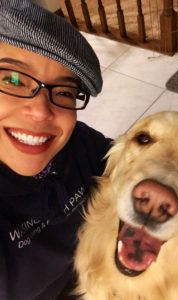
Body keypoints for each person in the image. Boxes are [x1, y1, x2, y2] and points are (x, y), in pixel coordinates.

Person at [0, 1, 112, 299]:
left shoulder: (77, 143)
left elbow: (130, 164)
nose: (40, 111)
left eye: (63, 91)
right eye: (11, 79)